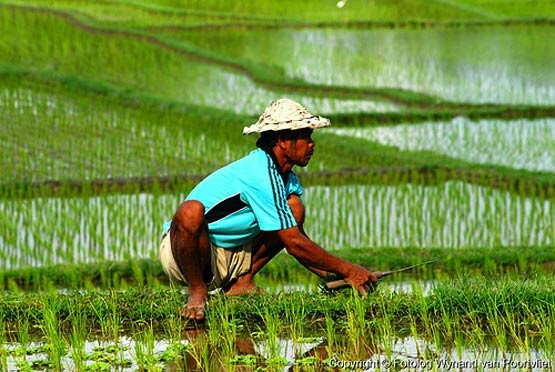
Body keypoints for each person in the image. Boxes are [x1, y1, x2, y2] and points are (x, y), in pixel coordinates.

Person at [159, 98, 377, 321]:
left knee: (294, 209)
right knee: (190, 211)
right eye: (305, 136)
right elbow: (293, 244)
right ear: (283, 140)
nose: (312, 144)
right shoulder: (259, 172)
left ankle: (241, 283)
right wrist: (350, 270)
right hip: (189, 255)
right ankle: (197, 291)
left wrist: (334, 275)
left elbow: (295, 236)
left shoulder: (286, 177)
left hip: (232, 255)